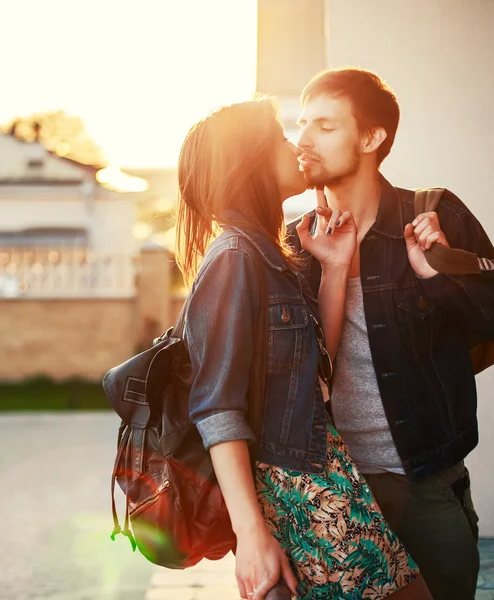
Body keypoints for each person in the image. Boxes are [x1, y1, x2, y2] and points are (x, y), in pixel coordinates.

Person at [287, 67, 494, 600]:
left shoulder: (435, 215)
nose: (302, 140)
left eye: (324, 126)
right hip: (331, 492)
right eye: (301, 123)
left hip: (425, 483)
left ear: (372, 138)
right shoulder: (296, 243)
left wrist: (436, 275)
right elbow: (297, 375)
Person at [176, 99, 433, 600]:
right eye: (280, 137)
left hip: (324, 473)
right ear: (250, 160)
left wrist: (335, 267)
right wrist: (251, 535)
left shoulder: (268, 253)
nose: (296, 146)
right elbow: (216, 407)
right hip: (300, 489)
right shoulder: (233, 257)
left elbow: (317, 370)